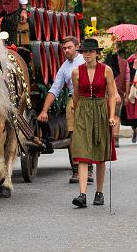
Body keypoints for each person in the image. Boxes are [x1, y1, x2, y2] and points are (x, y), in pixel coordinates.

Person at [70, 38, 118, 208]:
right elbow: (75, 95)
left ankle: (99, 192)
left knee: (100, 154)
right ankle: (82, 194)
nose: (87, 55)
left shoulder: (107, 70)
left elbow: (111, 95)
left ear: (97, 53)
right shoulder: (76, 72)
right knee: (82, 153)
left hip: (100, 110)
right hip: (83, 111)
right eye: (84, 51)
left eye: (90, 51)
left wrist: (111, 115)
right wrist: (77, 113)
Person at [37, 36, 92, 183]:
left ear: (77, 47)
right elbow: (54, 89)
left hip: (89, 100)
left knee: (88, 133)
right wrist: (44, 110)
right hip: (72, 101)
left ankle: (89, 168)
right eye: (64, 48)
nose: (66, 50)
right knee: (74, 135)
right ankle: (75, 171)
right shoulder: (64, 67)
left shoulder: (86, 60)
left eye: (69, 47)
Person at [112, 46, 128, 148]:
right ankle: (114, 138)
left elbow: (127, 79)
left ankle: (115, 138)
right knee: (115, 115)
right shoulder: (124, 62)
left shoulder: (124, 62)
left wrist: (126, 93)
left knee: (116, 115)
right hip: (115, 92)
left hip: (118, 92)